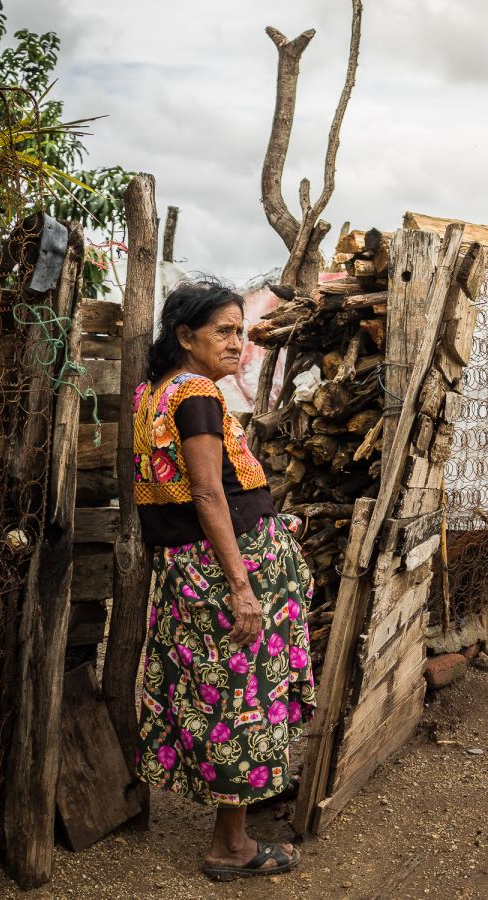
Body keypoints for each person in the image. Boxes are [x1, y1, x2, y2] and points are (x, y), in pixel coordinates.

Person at [133, 279, 316, 880]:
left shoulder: (153, 393)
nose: (238, 342)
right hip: (225, 568)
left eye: (240, 330)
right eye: (224, 331)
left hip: (190, 567)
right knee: (242, 696)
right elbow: (208, 492)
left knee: (213, 693)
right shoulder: (197, 395)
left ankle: (244, 806)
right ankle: (231, 846)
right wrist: (242, 587)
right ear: (185, 336)